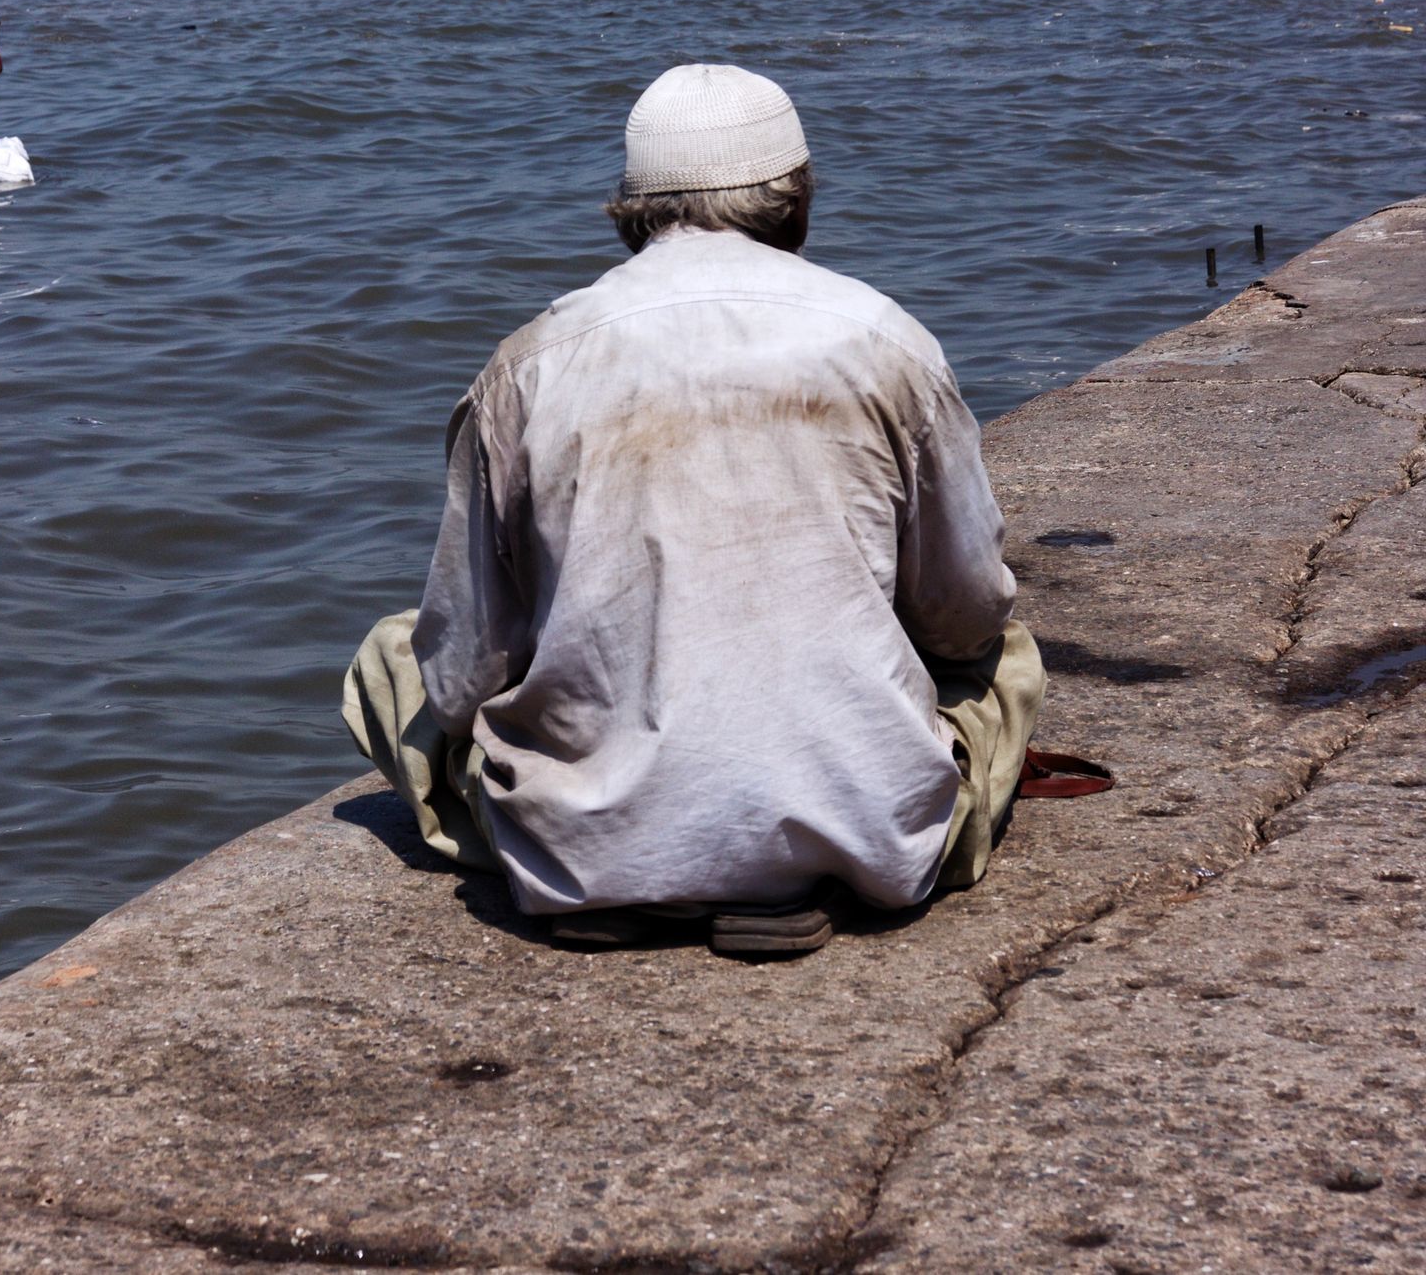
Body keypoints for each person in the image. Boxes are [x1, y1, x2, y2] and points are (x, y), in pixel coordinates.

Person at [342, 64, 1045, 959]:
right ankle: (786, 875)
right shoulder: (887, 340)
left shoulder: (529, 363)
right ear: (796, 203)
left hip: (582, 852)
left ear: (632, 210)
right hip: (859, 837)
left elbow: (461, 677)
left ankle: (633, 873)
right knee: (1005, 657)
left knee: (393, 658)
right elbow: (964, 612)